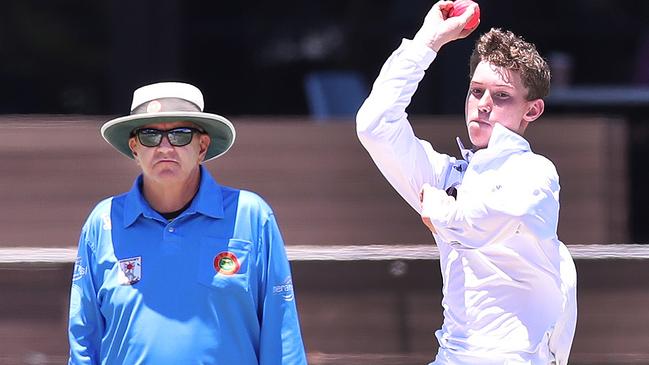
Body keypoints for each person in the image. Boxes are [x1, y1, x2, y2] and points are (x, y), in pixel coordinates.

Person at [356, 2, 577, 364]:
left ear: (532, 110)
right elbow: (375, 126)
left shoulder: (536, 172)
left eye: (501, 96)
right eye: (476, 92)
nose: (484, 104)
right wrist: (427, 42)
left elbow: (497, 216)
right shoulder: (449, 176)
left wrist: (444, 210)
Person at [68, 82, 307, 364]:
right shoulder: (103, 222)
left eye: (180, 135)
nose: (164, 147)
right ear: (134, 148)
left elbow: (282, 336)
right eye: (150, 135)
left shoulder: (251, 216)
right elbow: (84, 338)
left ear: (202, 146)